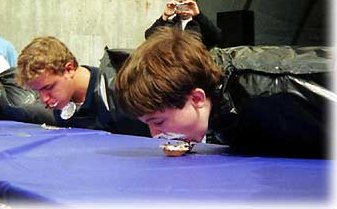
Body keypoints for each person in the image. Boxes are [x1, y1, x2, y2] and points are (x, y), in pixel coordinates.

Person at [115, 27, 329, 158]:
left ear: (196, 98)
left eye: (159, 122)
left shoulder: (273, 91)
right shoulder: (214, 95)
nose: (154, 134)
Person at [15, 36, 150, 137]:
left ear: (69, 69)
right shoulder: (63, 100)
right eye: (38, 91)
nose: (43, 99)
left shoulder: (118, 94)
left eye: (48, 88)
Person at [144, 0, 221, 48]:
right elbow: (149, 37)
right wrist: (164, 16)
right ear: (175, 3)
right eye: (180, 3)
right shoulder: (170, 24)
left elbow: (217, 37)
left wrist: (198, 15)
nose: (184, 6)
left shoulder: (201, 24)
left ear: (194, 2)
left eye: (187, 3)